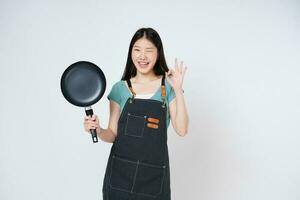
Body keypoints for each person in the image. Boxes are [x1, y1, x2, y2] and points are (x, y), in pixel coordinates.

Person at [83, 27, 189, 200]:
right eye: (137, 50)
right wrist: (98, 129)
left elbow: (182, 130)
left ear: (158, 53)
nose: (142, 56)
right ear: (131, 52)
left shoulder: (168, 87)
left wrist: (178, 90)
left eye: (149, 51)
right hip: (119, 176)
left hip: (154, 178)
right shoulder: (120, 89)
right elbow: (112, 134)